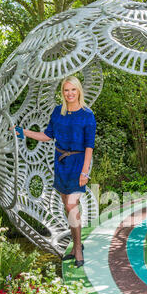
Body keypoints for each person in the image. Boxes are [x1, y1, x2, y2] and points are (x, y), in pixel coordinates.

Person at [11, 76, 96, 267]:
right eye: (66, 90)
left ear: (79, 91)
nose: (70, 93)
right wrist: (23, 131)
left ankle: (78, 252)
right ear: (62, 92)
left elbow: (89, 146)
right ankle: (76, 247)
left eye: (73, 90)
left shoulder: (87, 114)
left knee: (72, 206)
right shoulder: (58, 112)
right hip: (60, 163)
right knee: (67, 205)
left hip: (77, 163)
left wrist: (85, 172)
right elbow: (47, 135)